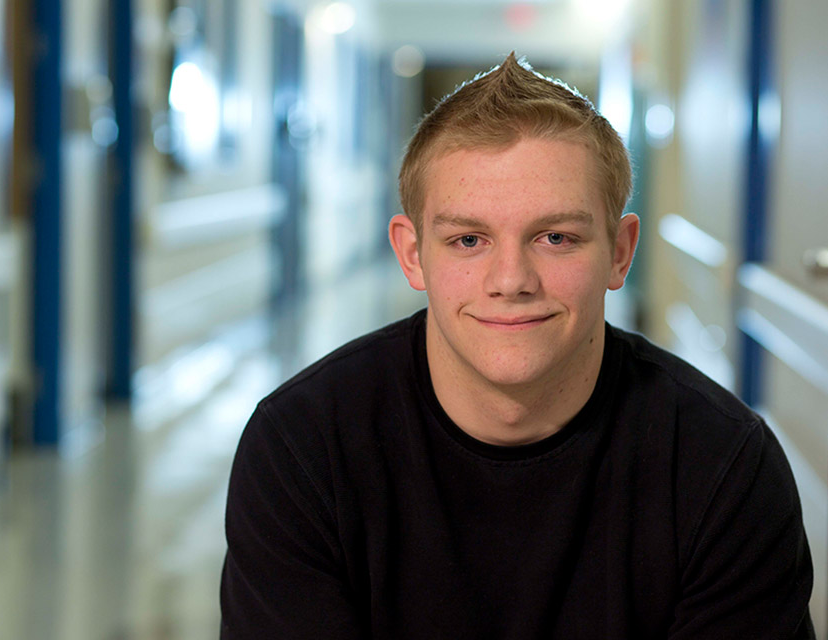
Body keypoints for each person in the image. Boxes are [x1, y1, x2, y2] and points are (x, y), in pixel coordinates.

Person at [219, 53, 815, 639]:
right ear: (411, 253)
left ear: (619, 251)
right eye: (469, 239)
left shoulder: (723, 463)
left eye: (555, 237)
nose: (511, 280)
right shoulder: (303, 445)